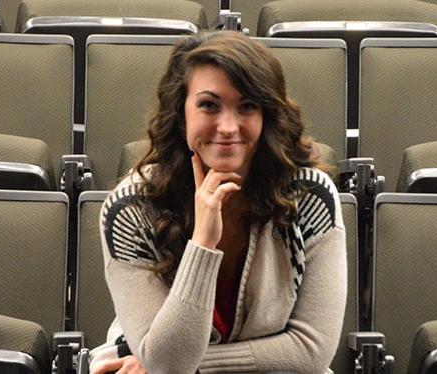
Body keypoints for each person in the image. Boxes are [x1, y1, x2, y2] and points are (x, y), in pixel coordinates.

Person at [91, 31, 346, 374]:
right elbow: (169, 362)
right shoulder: (131, 209)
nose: (228, 126)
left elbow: (311, 351)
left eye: (247, 106)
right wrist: (203, 243)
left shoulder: (310, 198)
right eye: (209, 105)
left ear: (265, 116)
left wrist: (165, 365)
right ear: (181, 117)